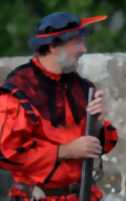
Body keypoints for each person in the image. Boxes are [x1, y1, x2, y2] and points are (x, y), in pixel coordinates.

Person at [0, 12, 118, 201]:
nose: (84, 49)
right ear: (54, 46)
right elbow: (8, 154)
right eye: (77, 42)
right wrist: (66, 150)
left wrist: (97, 122)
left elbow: (102, 144)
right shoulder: (18, 90)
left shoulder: (83, 87)